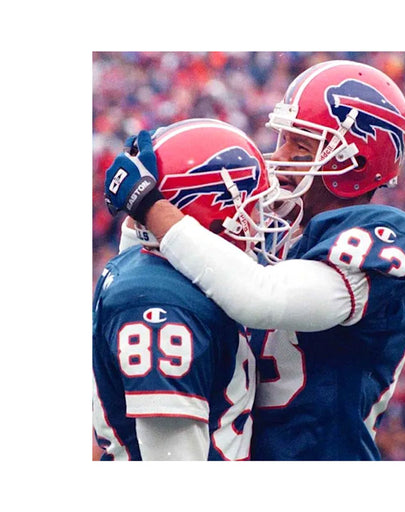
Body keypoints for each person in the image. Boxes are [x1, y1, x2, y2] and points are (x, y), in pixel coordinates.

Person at [104, 60, 405, 460]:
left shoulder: (383, 237)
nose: (279, 156)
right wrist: (142, 219)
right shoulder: (277, 223)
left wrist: (150, 205)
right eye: (283, 138)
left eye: (300, 146)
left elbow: (262, 298)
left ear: (351, 164)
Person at [94, 118, 291, 460]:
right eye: (252, 207)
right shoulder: (161, 306)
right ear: (213, 210)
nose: (260, 222)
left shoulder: (171, 273)